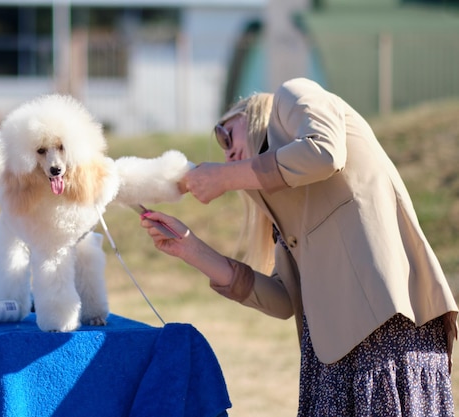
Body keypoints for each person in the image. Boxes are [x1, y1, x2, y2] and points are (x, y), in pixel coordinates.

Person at [140, 77, 458, 416]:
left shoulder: (291, 96)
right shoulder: (284, 207)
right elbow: (283, 300)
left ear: (252, 111)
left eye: (225, 132)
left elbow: (324, 152)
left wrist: (224, 177)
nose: (227, 151)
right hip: (331, 367)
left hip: (385, 335)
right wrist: (189, 248)